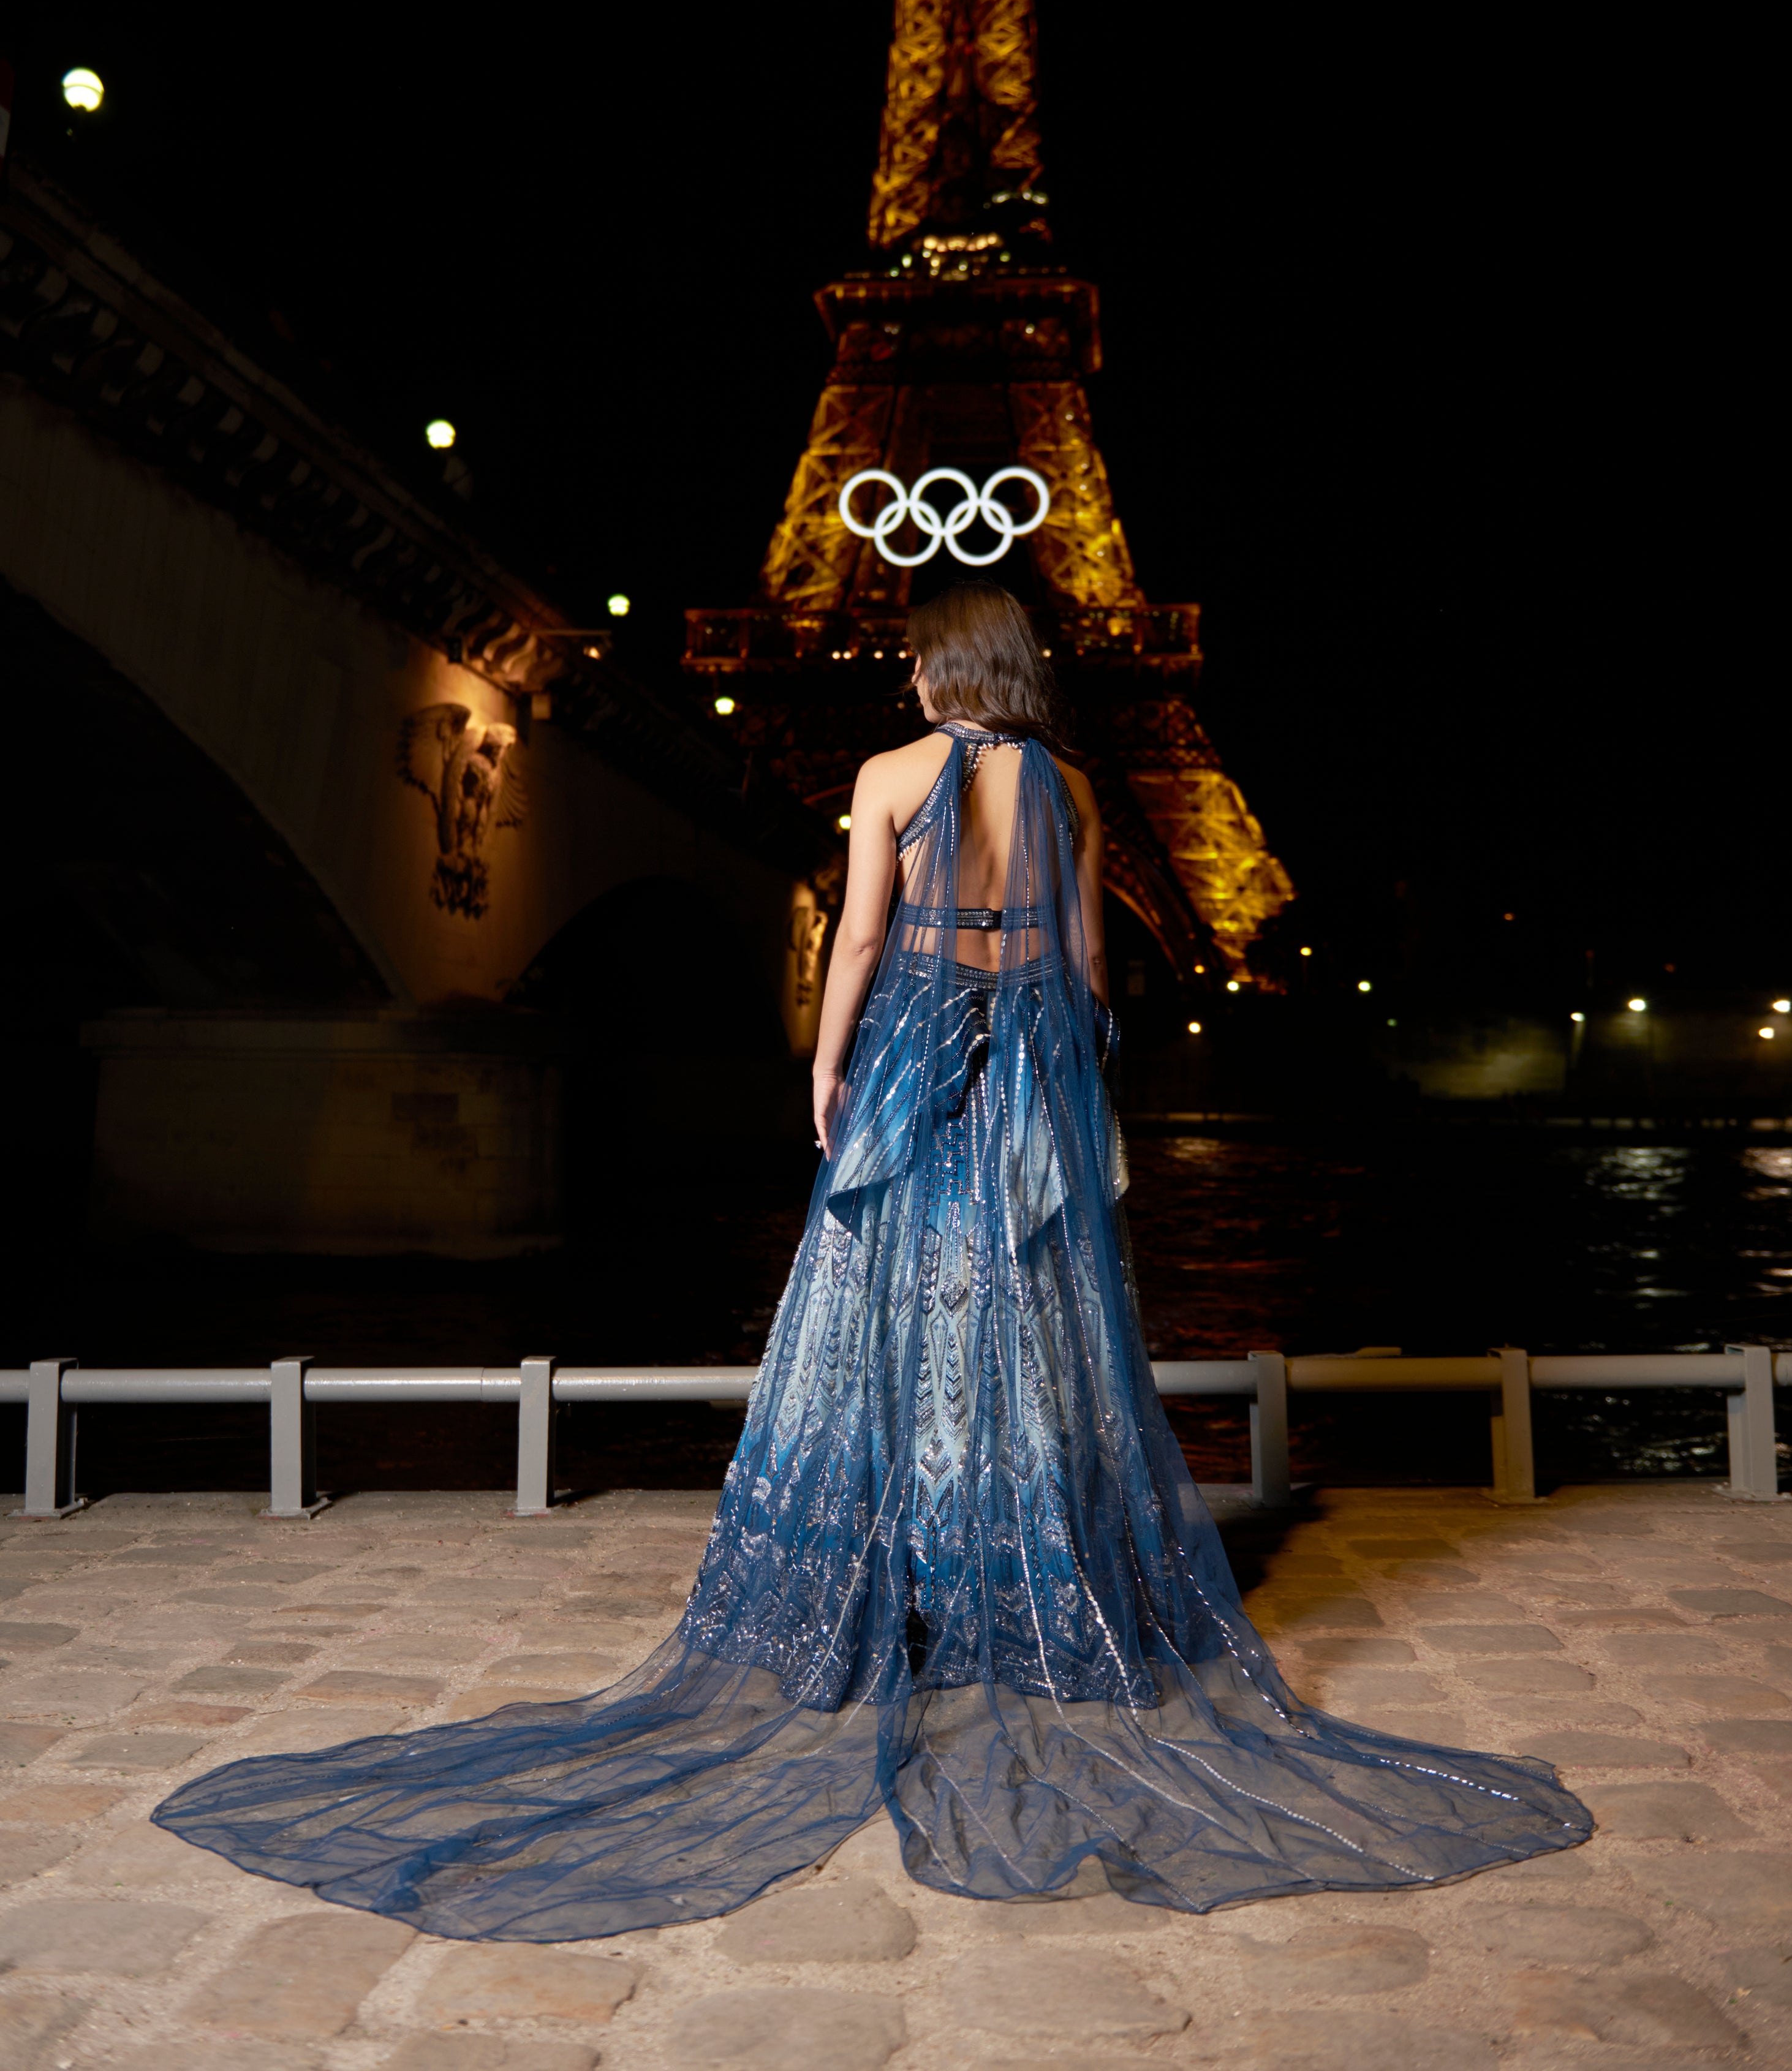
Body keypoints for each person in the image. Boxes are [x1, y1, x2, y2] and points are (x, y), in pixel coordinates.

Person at [154, 581, 1589, 1937]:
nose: (904, 670)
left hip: (910, 1055)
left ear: (941, 665)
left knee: (880, 1324)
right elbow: (1091, 966)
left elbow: (856, 938)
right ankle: (1019, 1593)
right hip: (1029, 1065)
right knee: (1028, 1332)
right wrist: (1074, 1094)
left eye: (915, 656)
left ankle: (882, 1593)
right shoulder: (1077, 788)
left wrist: (828, 1074)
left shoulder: (889, 775)